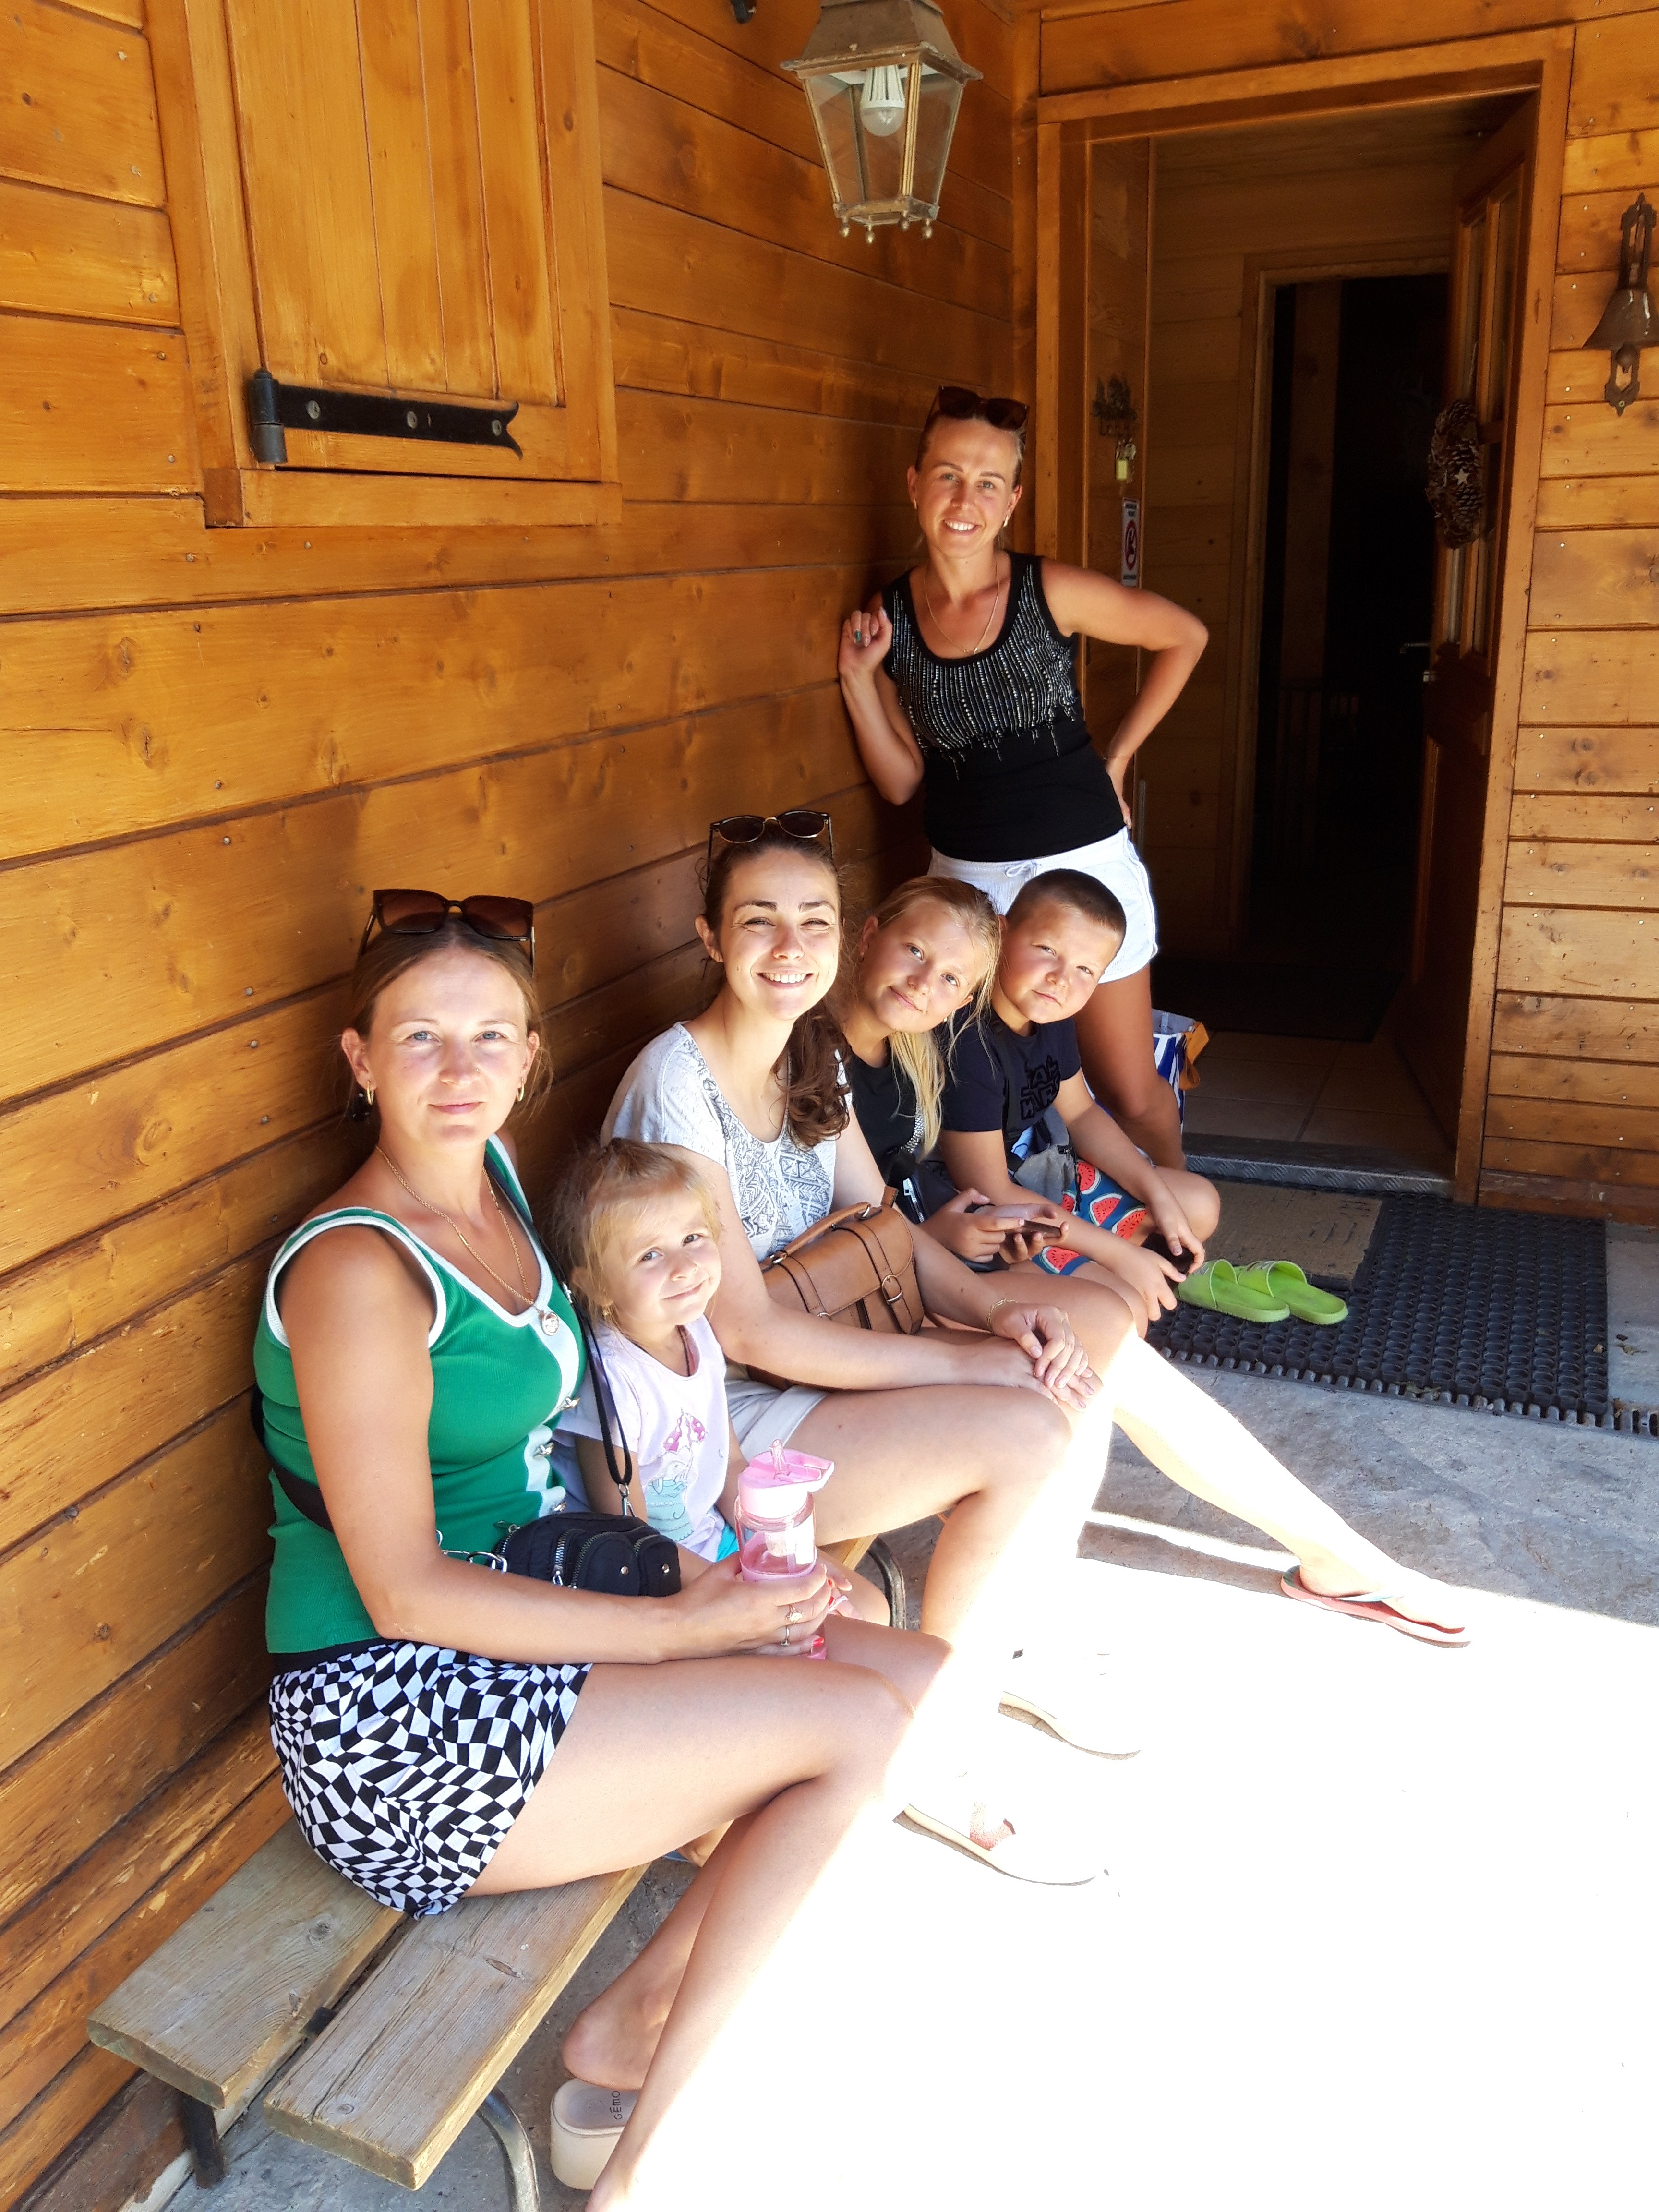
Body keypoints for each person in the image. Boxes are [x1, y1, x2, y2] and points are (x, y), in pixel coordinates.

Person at [252, 888, 1001, 2210]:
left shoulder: (490, 1182)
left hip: (525, 1605)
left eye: (492, 1037)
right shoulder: (359, 1270)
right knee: (849, 1728)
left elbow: (571, 1453)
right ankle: (649, 2168)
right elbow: (403, 1589)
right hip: (391, 1710)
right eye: (420, 1039)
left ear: (530, 1057)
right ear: (360, 1059)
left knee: (915, 1678)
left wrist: (710, 1571)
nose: (460, 1070)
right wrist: (680, 1624)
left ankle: (626, 2026)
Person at [837, 382, 1207, 1171]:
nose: (964, 499)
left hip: (1083, 870)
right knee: (975, 1089)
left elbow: (1185, 636)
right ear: (915, 483)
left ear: (1011, 501)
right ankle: (1021, 1222)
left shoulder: (1050, 591)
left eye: (988, 482)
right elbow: (902, 782)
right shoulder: (891, 614)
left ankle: (1177, 1222)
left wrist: (1117, 758)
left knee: (1125, 1086)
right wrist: (859, 680)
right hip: (967, 892)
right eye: (947, 475)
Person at [546, 1134, 885, 1617]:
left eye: (693, 1239)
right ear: (595, 1286)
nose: (685, 1268)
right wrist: (742, 1593)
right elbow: (629, 1540)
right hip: (657, 1584)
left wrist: (781, 1554)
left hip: (712, 1542)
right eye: (650, 1255)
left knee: (866, 1608)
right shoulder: (613, 1383)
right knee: (839, 1634)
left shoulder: (694, 1330)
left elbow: (729, 1467)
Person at [934, 868, 1222, 1287]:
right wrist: (1117, 1253)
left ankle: (1096, 1267)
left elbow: (1082, 1114)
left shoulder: (1050, 1013)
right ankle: (1094, 1271)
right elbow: (991, 1188)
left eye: (1086, 969)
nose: (1061, 978)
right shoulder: (969, 1042)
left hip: (1046, 1179)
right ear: (1002, 933)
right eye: (1047, 949)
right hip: (993, 1214)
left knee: (1198, 1204)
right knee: (1122, 1308)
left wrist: (1157, 1194)